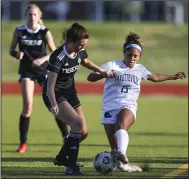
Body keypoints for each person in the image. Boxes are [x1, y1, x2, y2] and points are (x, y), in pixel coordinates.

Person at [87, 32, 186, 172]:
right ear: (124, 53)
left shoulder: (140, 69)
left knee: (121, 125)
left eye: (136, 56)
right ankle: (128, 166)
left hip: (128, 105)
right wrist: (103, 73)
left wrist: (173, 77)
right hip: (109, 108)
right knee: (118, 159)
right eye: (129, 55)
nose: (132, 58)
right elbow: (90, 77)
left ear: (139, 56)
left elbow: (155, 77)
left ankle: (122, 152)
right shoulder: (112, 64)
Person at [42, 22, 113, 175]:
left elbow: (85, 61)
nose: (82, 47)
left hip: (70, 93)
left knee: (83, 132)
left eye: (84, 45)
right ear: (71, 41)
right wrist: (53, 104)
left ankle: (61, 157)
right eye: (80, 45)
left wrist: (102, 71)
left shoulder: (79, 51)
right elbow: (50, 85)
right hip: (54, 94)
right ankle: (71, 167)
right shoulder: (58, 56)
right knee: (77, 123)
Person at [9, 4, 58, 153]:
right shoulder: (19, 31)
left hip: (43, 71)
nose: (32, 17)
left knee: (53, 104)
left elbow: (54, 53)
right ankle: (23, 143)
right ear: (26, 16)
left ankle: (65, 136)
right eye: (30, 14)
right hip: (26, 71)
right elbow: (11, 50)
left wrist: (43, 59)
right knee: (27, 107)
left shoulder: (45, 32)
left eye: (35, 15)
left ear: (39, 16)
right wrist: (17, 54)